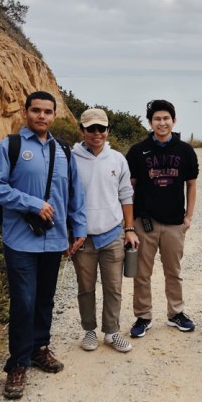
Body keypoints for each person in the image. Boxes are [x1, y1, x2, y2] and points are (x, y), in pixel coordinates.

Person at [0, 91, 87, 400]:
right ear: (26, 113)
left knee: (45, 299)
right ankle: (17, 363)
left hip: (54, 240)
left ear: (55, 116)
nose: (41, 116)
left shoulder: (64, 151)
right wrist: (31, 203)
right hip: (20, 240)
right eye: (36, 110)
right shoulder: (11, 147)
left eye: (47, 111)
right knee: (24, 301)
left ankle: (39, 348)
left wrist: (78, 228)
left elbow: (74, 194)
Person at [126, 99, 199, 338]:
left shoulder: (185, 150)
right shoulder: (138, 151)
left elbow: (191, 184)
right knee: (142, 273)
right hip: (144, 223)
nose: (162, 122)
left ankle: (176, 313)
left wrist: (188, 217)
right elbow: (130, 189)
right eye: (157, 118)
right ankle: (143, 316)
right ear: (150, 122)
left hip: (175, 223)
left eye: (166, 118)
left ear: (174, 120)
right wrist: (130, 224)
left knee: (173, 271)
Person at [71, 108, 139, 353]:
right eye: (91, 128)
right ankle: (89, 331)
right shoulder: (71, 158)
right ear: (82, 130)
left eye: (101, 128)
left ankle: (111, 332)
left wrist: (129, 229)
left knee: (114, 287)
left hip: (112, 234)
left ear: (108, 130)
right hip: (83, 238)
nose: (96, 133)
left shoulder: (118, 159)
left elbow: (126, 195)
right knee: (86, 288)